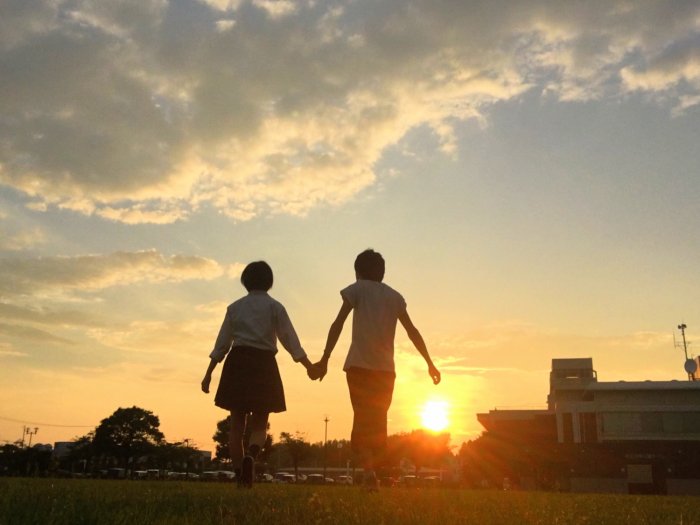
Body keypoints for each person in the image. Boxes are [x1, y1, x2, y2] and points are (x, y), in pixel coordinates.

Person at [314, 249, 440, 489]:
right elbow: (412, 331)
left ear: (359, 272)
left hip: (359, 367)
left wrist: (325, 358)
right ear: (382, 272)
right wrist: (429, 363)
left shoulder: (357, 289)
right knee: (378, 420)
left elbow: (338, 323)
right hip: (385, 371)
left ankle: (369, 472)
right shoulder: (394, 297)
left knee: (362, 417)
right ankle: (372, 472)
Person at [201, 261, 316, 487]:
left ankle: (239, 475)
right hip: (264, 364)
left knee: (236, 425)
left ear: (245, 281)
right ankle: (250, 457)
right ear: (269, 282)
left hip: (237, 362)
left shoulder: (234, 308)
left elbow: (222, 344)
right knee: (260, 425)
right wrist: (309, 366)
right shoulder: (275, 307)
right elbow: (290, 340)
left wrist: (208, 374)